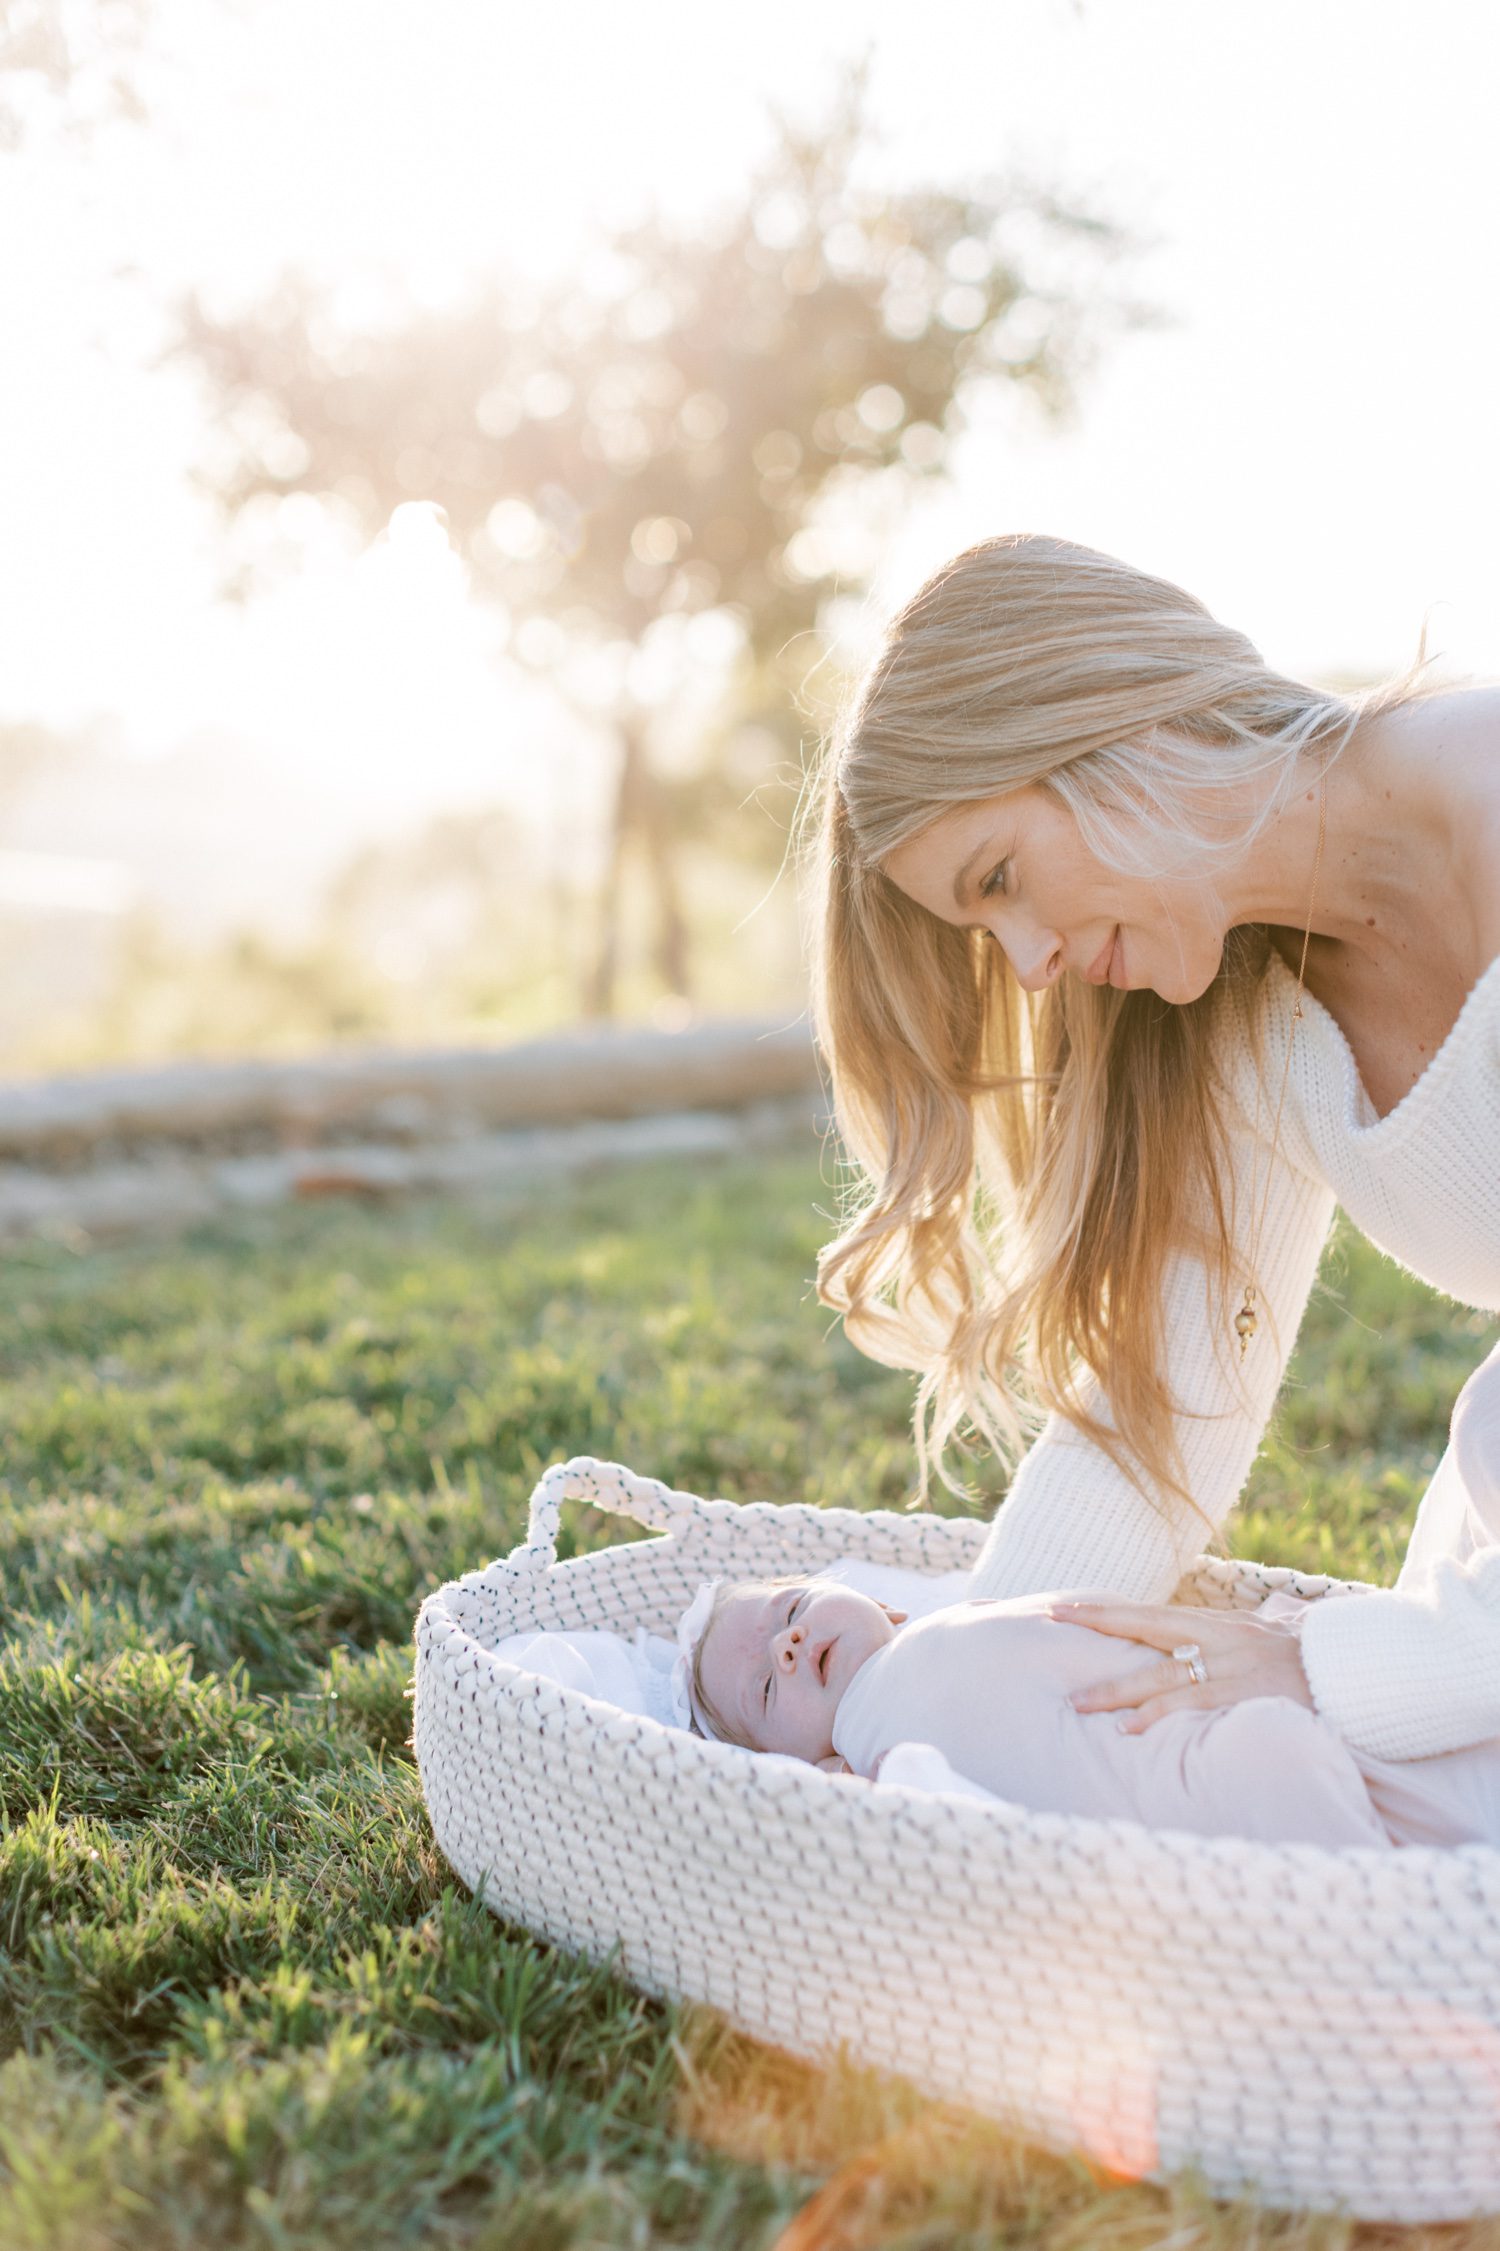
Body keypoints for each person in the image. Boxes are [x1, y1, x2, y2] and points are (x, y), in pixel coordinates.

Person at [808, 531, 1500, 1765]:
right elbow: (1155, 1430)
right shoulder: (1238, 1016)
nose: (1031, 964)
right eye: (986, 929)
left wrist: (1331, 1663)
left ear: (1105, 714)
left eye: (1004, 875)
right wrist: (936, 1708)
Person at [679, 1570, 1500, 1850]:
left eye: (792, 1607)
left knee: (1436, 1755)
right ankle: (1412, 1934)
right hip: (1206, 1775)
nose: (787, 1645)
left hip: (1254, 1694)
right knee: (1284, 1767)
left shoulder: (936, 1621)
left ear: (884, 1605)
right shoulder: (865, 1757)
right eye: (764, 1690)